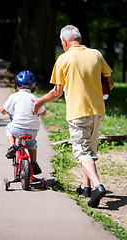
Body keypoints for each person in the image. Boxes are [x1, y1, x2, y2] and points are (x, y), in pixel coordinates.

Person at [33, 25, 114, 207]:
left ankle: (97, 185)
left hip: (78, 113)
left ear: (64, 42)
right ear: (80, 39)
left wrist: (39, 102)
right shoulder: (96, 54)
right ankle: (85, 187)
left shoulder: (63, 59)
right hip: (98, 111)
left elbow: (56, 92)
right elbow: (110, 82)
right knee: (90, 150)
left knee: (81, 152)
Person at [0, 70, 46, 175]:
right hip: (32, 130)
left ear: (17, 87)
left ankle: (12, 146)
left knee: (9, 128)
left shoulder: (14, 96)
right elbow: (43, 112)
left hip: (17, 129)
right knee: (32, 143)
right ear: (32, 87)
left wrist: (1, 109)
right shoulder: (35, 98)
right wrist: (39, 113)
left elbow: (4, 110)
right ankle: (34, 163)